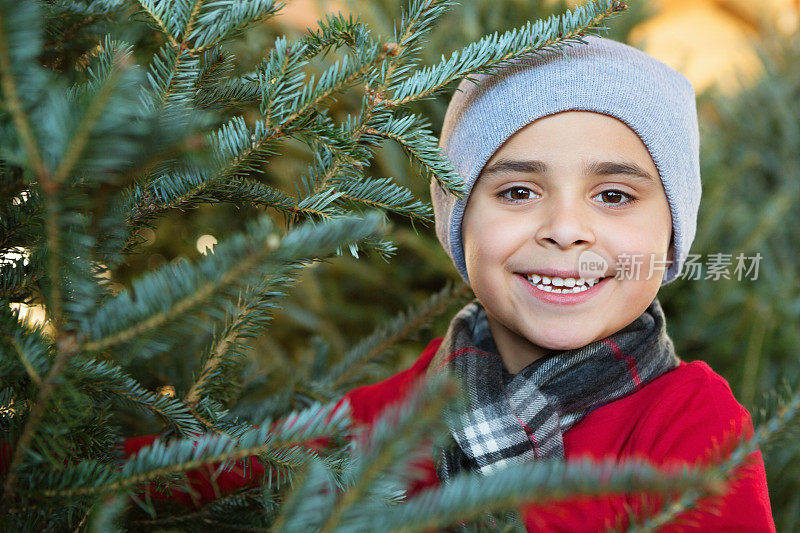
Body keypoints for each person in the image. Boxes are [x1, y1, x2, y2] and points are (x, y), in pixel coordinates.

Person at [341, 35, 776, 531]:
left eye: (613, 196)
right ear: (457, 225)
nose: (566, 230)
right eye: (519, 191)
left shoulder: (692, 425)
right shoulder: (377, 422)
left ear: (672, 237)